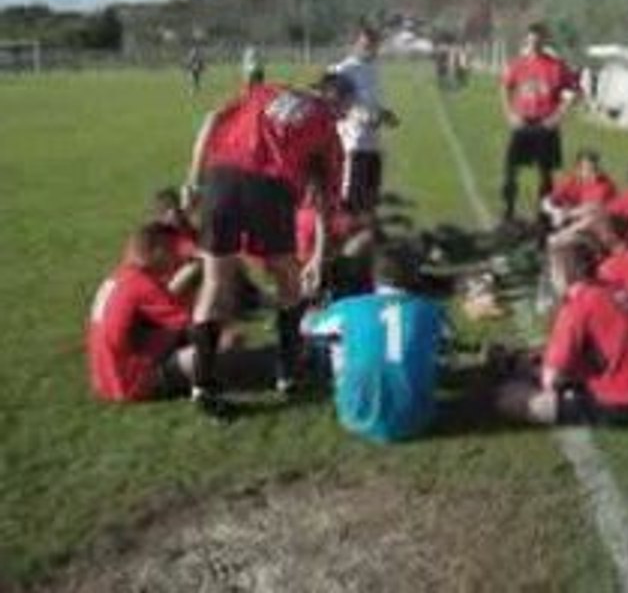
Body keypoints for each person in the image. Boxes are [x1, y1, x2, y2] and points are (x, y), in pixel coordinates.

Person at [180, 52, 350, 415]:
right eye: (345, 108)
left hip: (220, 179)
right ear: (337, 101)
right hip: (269, 186)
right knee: (288, 281)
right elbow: (326, 199)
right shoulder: (326, 125)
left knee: (214, 282)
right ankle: (288, 372)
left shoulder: (267, 90)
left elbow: (212, 118)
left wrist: (193, 182)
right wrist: (318, 257)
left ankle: (202, 385)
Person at [495, 238, 628, 425]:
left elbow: (551, 380)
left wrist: (531, 370)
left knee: (508, 397)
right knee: (541, 363)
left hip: (622, 400)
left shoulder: (578, 304)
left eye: (552, 271)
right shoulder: (615, 288)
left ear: (564, 274)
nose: (551, 278)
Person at [300, 244, 447, 443]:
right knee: (433, 346)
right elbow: (447, 341)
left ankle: (348, 389)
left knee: (331, 341)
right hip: (419, 418)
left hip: (355, 417)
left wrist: (312, 301)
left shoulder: (348, 307)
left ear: (374, 276)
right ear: (414, 276)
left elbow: (307, 327)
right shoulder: (430, 309)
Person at [86, 223, 222, 402]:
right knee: (218, 346)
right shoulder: (141, 285)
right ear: (156, 251)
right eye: (170, 251)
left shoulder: (119, 277)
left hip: (104, 378)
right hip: (130, 382)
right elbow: (196, 325)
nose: (174, 259)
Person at [500, 22, 580, 224]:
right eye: (530, 40)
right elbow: (505, 88)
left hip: (545, 123)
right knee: (510, 169)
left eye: (538, 40)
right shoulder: (518, 64)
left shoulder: (556, 66)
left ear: (544, 41)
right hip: (523, 121)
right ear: (526, 40)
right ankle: (508, 211)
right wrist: (510, 113)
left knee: (546, 172)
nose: (534, 43)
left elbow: (572, 92)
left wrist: (558, 116)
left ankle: (544, 213)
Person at [332, 25, 398, 213]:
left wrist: (384, 114)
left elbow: (372, 103)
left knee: (370, 202)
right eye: (366, 45)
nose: (371, 50)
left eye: (374, 46)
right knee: (352, 201)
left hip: (373, 145)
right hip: (353, 145)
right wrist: (362, 116)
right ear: (355, 45)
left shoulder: (373, 69)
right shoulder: (343, 70)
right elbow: (333, 103)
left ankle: (367, 237)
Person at [542, 148, 617, 229]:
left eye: (596, 168)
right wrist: (556, 211)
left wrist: (566, 214)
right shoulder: (572, 181)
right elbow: (548, 201)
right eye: (588, 169)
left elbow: (592, 208)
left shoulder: (604, 185)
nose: (593, 173)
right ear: (579, 169)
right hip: (573, 221)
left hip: (596, 225)